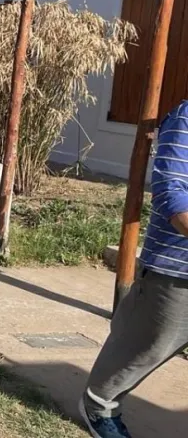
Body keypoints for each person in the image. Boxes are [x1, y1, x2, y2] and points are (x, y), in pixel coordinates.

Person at [78, 99, 188, 438]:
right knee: (149, 343)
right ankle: (99, 404)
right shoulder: (186, 118)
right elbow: (171, 190)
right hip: (176, 266)